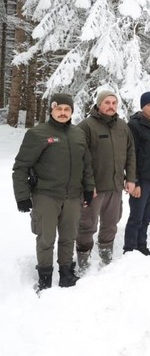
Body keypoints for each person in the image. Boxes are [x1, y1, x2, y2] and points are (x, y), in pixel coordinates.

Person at [12, 93, 94, 291]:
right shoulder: (38, 133)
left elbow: (87, 165)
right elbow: (21, 166)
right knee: (46, 238)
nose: (63, 112)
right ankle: (45, 277)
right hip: (45, 195)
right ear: (52, 110)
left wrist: (89, 188)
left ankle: (66, 273)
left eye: (67, 109)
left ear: (72, 111)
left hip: (73, 196)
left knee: (68, 237)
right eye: (59, 109)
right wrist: (22, 196)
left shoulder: (78, 134)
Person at [75, 90, 136, 271]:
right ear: (99, 104)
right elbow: (80, 158)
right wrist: (88, 185)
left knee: (111, 223)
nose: (111, 106)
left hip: (116, 186)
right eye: (107, 103)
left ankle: (106, 257)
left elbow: (131, 154)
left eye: (114, 103)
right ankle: (83, 261)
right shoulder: (86, 126)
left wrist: (131, 178)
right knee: (87, 225)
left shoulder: (123, 127)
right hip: (94, 188)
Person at [123, 91, 150, 256]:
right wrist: (135, 182)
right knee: (136, 216)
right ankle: (129, 248)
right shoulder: (135, 125)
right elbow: (132, 154)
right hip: (141, 180)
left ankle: (141, 244)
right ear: (143, 107)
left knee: (148, 216)